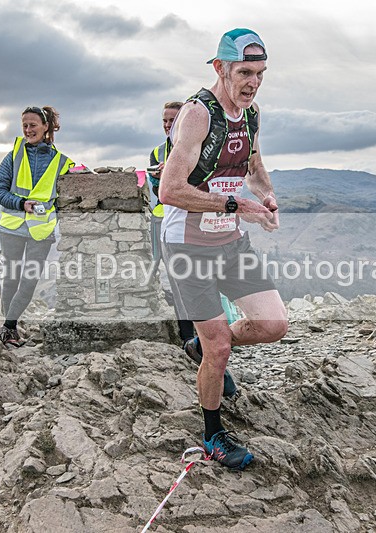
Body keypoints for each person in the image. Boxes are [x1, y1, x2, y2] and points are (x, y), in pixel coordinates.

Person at [158, 28, 288, 470]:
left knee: (273, 325)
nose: (253, 82)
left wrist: (266, 198)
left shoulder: (250, 115)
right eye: (244, 72)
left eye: (261, 73)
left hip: (231, 240)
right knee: (219, 348)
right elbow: (169, 190)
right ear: (220, 68)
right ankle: (212, 432)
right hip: (187, 245)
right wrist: (237, 204)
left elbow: (253, 165)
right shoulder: (197, 115)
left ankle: (206, 348)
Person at [0, 106, 74, 346]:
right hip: (12, 226)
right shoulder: (14, 154)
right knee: (11, 279)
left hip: (41, 231)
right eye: (24, 125)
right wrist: (21, 203)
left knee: (29, 279)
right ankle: (9, 327)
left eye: (32, 125)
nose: (27, 130)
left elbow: (80, 183)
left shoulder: (62, 162)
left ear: (46, 127)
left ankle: (7, 327)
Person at [147, 102, 197, 346]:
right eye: (165, 121)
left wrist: (173, 175)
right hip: (163, 221)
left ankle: (207, 332)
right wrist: (158, 180)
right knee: (176, 279)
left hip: (191, 220)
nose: (168, 125)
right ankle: (187, 337)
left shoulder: (198, 148)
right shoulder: (157, 153)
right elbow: (158, 193)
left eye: (173, 120)